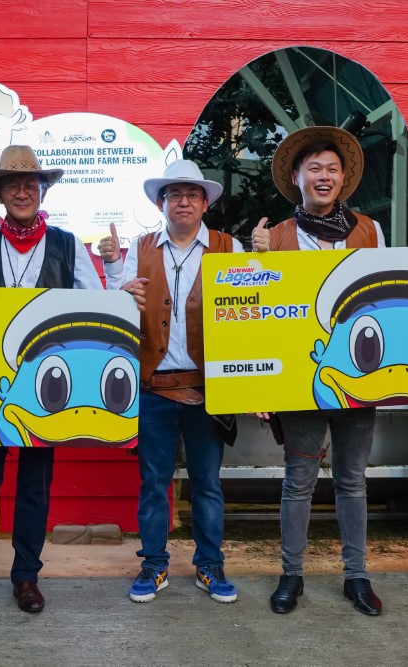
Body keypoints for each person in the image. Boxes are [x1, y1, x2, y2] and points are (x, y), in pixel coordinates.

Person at [0, 145, 110, 614]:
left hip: (48, 387)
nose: (22, 192)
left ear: (42, 192)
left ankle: (26, 577)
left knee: (35, 487)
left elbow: (94, 305)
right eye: (13, 184)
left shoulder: (67, 243)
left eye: (31, 184)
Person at [251, 126, 388, 616]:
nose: (324, 176)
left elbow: (383, 296)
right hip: (300, 381)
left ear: (342, 177)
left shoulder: (370, 231)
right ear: (297, 176)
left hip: (358, 374)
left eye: (332, 168)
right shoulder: (276, 238)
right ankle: (292, 575)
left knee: (353, 480)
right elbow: (258, 315)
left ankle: (358, 577)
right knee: (299, 480)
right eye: (315, 168)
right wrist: (258, 260)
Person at [98, 159, 242, 604]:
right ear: (162, 203)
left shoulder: (229, 247)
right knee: (153, 482)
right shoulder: (137, 249)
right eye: (174, 194)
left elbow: (250, 317)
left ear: (204, 204)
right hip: (153, 389)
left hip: (207, 388)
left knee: (208, 483)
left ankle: (209, 565)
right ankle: (154, 565)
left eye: (192, 194)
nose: (183, 201)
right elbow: (110, 320)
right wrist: (114, 278)